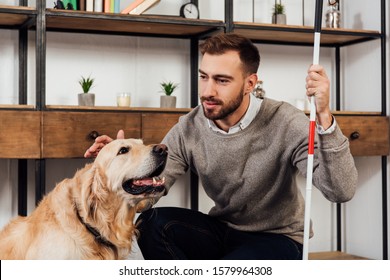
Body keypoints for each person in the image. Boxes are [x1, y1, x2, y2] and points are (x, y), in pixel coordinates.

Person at [84, 33, 357, 260]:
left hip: (278, 238)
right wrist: (119, 168)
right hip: (222, 230)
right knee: (152, 225)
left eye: (221, 80)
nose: (207, 91)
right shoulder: (189, 127)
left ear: (250, 83)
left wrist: (323, 117)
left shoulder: (285, 121)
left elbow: (341, 190)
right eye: (204, 77)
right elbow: (149, 194)